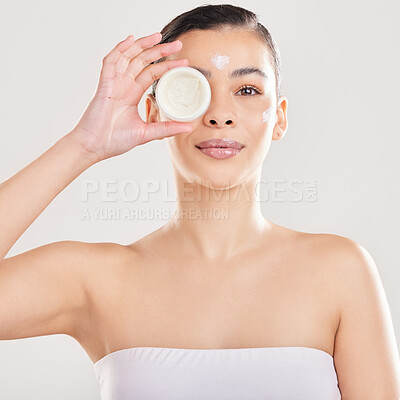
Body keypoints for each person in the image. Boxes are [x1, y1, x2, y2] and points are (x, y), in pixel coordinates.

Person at [0, 4, 399, 399]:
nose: (220, 114)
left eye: (247, 90)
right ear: (155, 111)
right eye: (194, 87)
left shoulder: (339, 272)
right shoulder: (96, 280)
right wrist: (84, 145)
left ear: (278, 118)